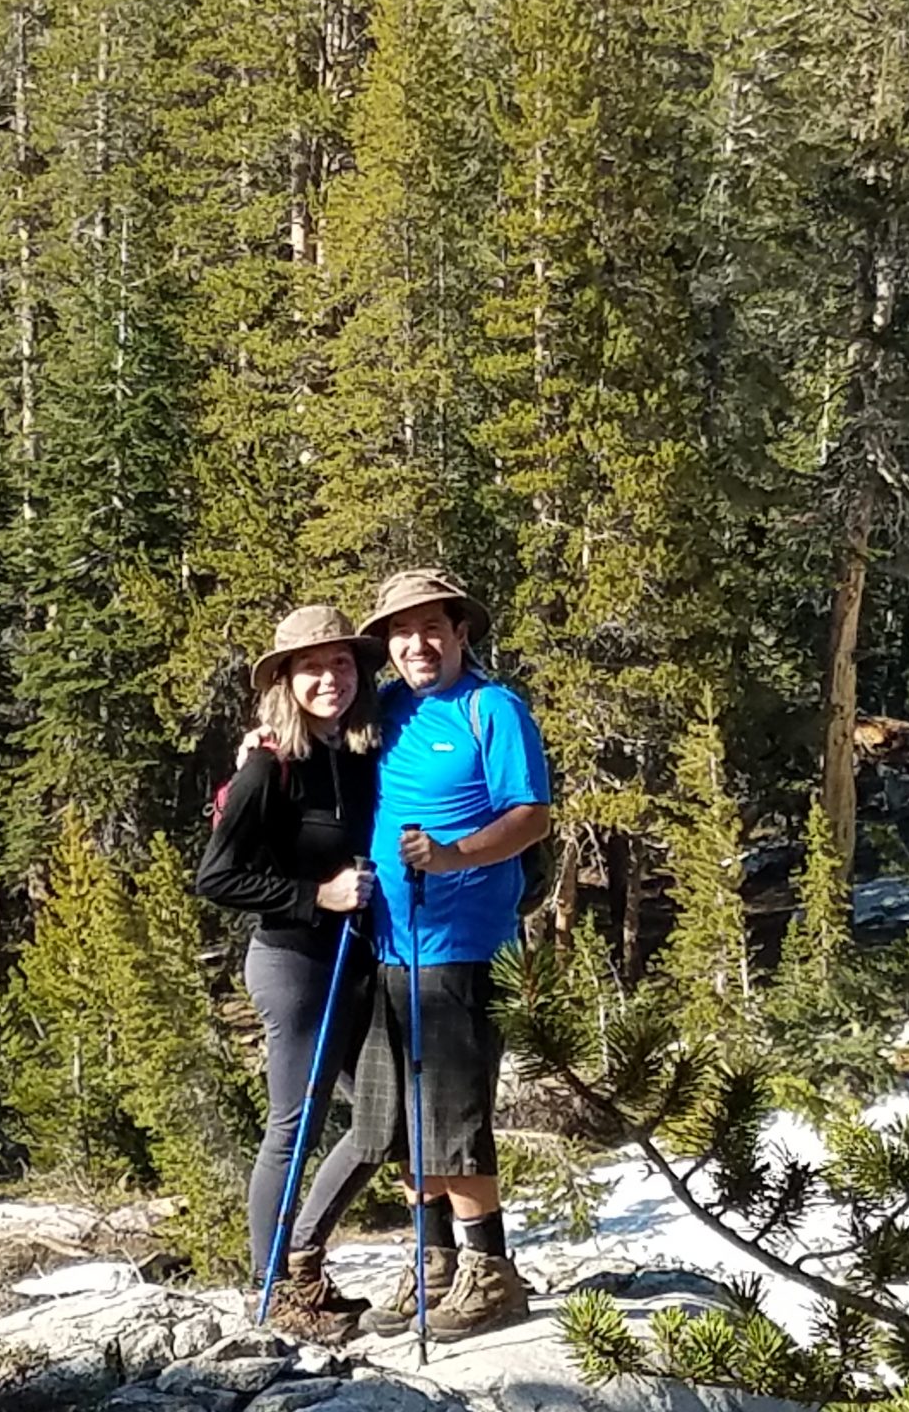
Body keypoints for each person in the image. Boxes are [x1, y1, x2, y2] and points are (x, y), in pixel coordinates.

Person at [346, 568, 552, 1342]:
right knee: (406, 1115)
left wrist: (453, 855)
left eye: (433, 627)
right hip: (392, 945)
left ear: (462, 633)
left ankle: (491, 1273)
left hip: (463, 945)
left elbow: (531, 815)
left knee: (455, 1117)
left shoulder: (491, 710)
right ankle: (433, 1262)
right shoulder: (392, 708)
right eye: (401, 632)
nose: (416, 643)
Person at [194, 604, 387, 1340]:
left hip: (361, 960)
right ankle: (273, 1286)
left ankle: (299, 1255)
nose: (329, 677)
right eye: (312, 666)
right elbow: (217, 878)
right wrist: (318, 896)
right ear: (285, 680)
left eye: (341, 663)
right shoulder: (266, 767)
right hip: (294, 964)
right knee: (294, 1128)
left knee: (384, 1123)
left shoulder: (364, 750)